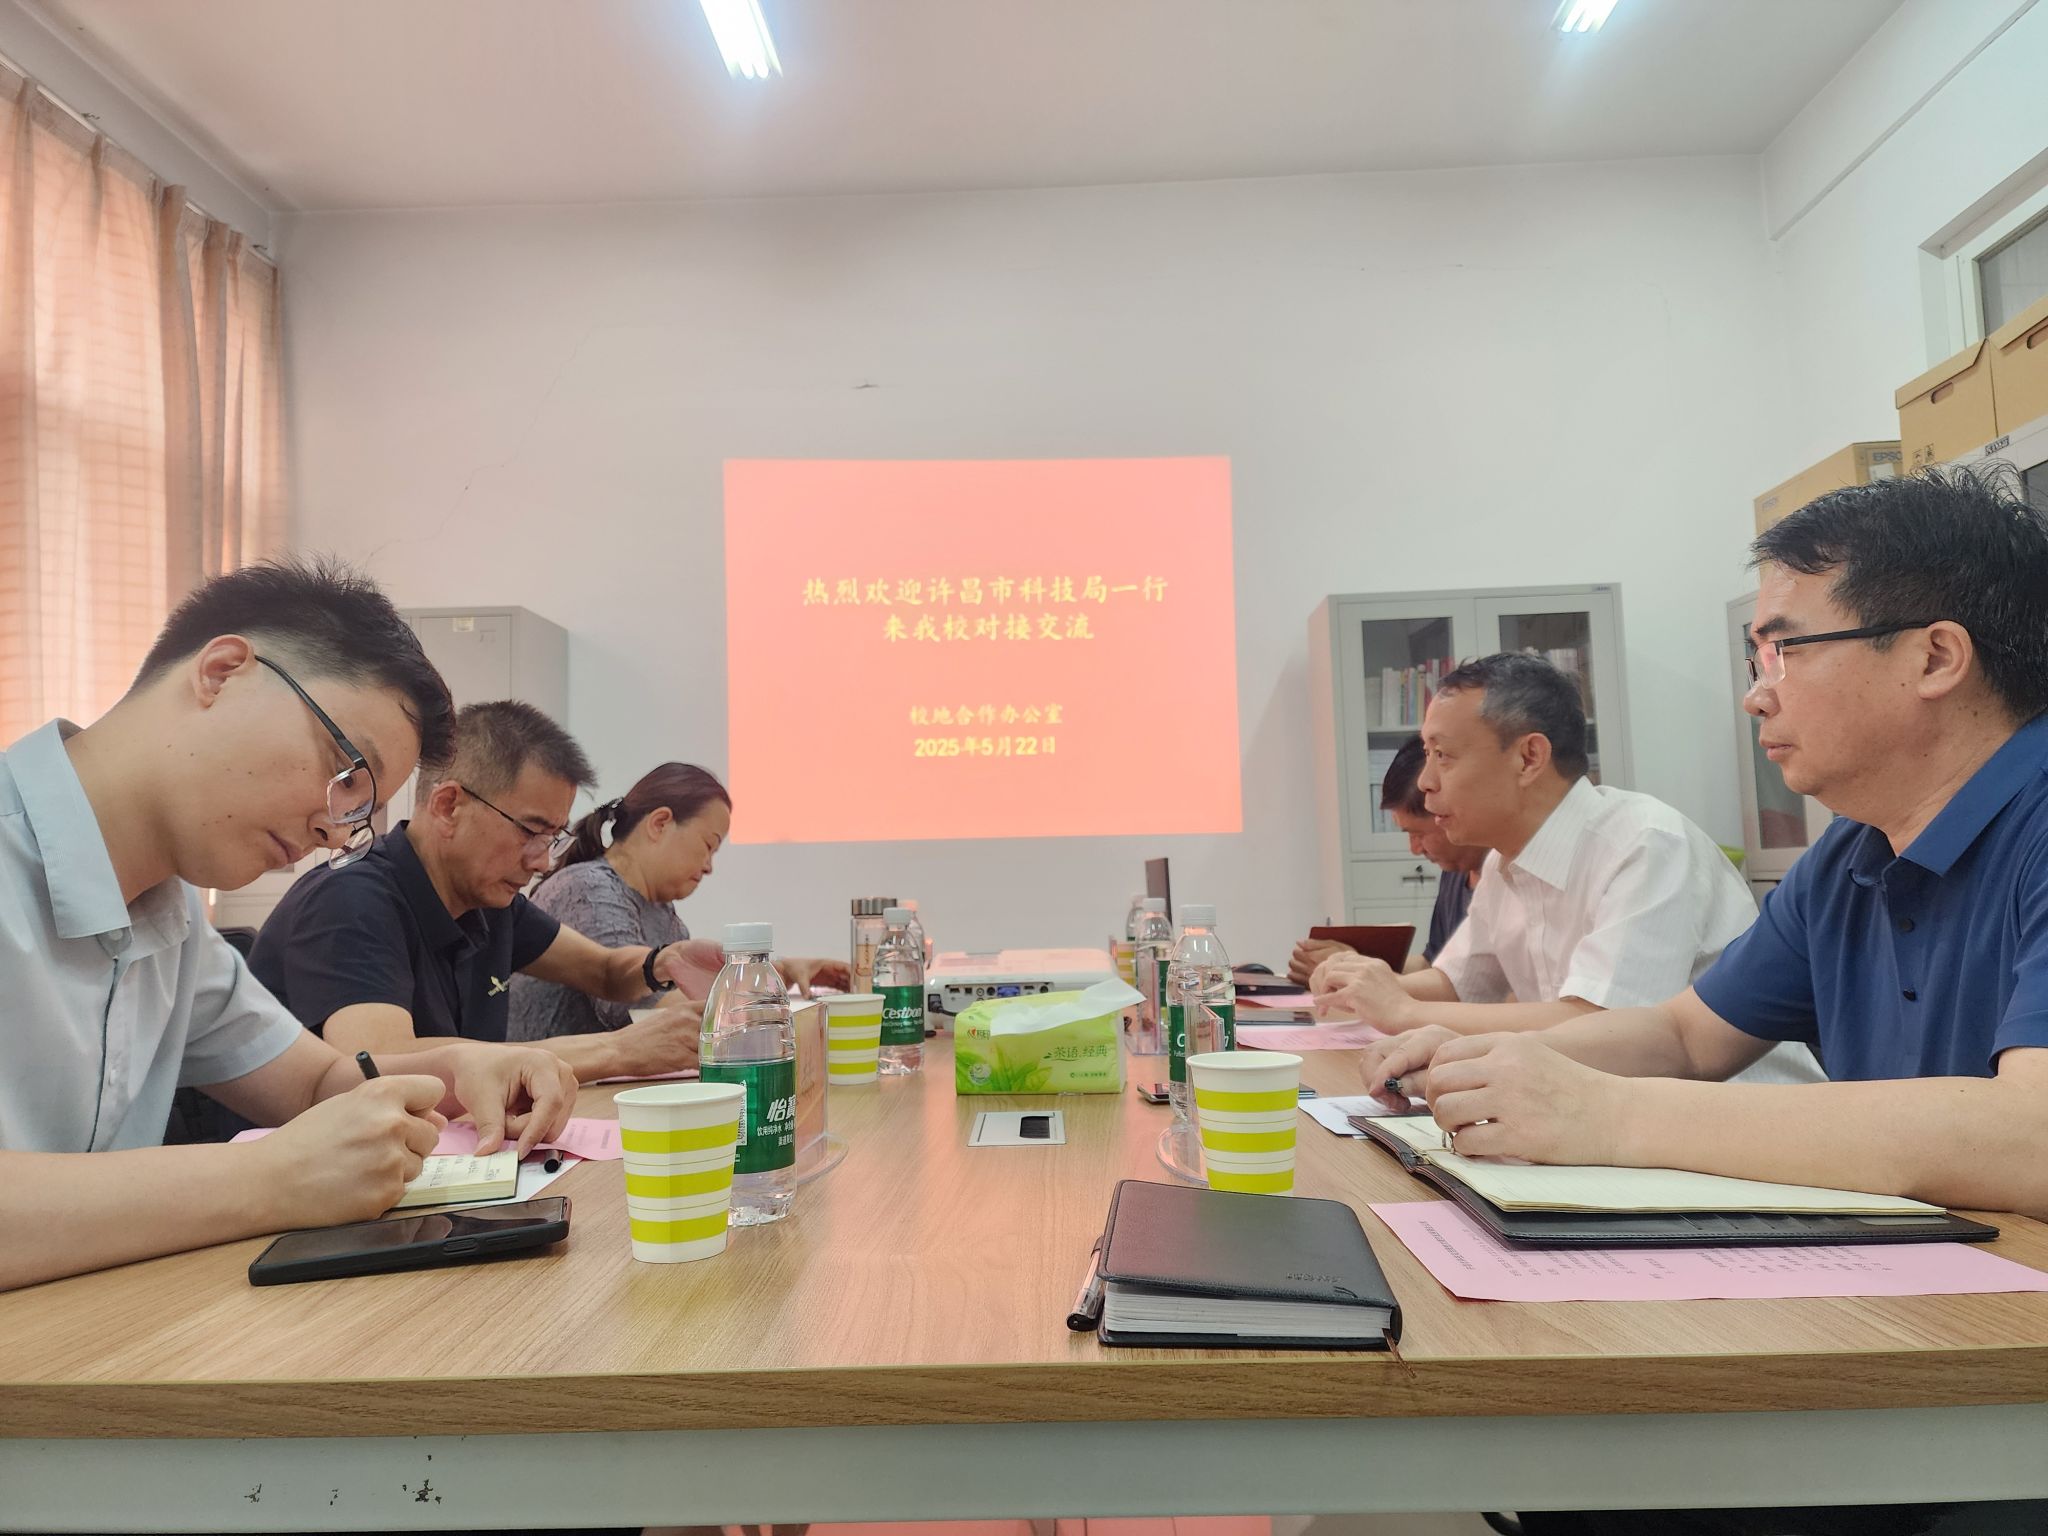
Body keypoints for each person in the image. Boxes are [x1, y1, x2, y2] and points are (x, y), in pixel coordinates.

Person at [1358, 478, 2048, 1536]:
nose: (1755, 696)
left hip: (2001, 1386)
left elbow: (2032, 1134)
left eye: (1783, 651)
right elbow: (1685, 1033)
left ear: (1933, 657)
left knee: (1613, 1482)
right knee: (1583, 1466)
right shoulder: (1850, 855)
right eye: (1752, 658)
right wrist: (1475, 1064)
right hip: (1924, 1322)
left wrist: (1605, 1115)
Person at [0, 558, 577, 1292]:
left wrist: (458, 1068)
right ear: (223, 672)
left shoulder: (169, 915)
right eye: (346, 771)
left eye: (361, 814)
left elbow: (314, 1084)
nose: (334, 832)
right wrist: (268, 1178)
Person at [1315, 651, 1818, 1085]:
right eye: (1427, 754)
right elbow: (1458, 983)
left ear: (1529, 757)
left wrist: (1404, 1010)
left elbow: (1602, 1026)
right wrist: (1370, 985)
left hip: (1737, 1128)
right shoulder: (1504, 861)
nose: (1425, 781)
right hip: (1606, 1114)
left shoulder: (1644, 843)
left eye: (1443, 755)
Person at [250, 702, 702, 1082]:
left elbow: (603, 971)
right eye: (531, 831)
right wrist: (617, 1050)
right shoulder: (351, 899)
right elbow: (380, 1063)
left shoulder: (489, 902)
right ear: (449, 806)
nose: (543, 862)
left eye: (553, 838)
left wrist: (665, 961)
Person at [509, 762, 849, 1044]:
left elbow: (698, 1001)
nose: (709, 866)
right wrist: (771, 991)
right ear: (660, 823)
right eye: (708, 845)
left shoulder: (662, 912)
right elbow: (646, 1011)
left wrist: (778, 972)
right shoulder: (588, 888)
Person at [1288, 734, 1484, 985]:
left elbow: (1468, 992)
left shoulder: (1505, 878)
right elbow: (1434, 965)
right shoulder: (1455, 871)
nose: (1414, 849)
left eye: (1418, 834)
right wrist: (1353, 964)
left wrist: (1355, 968)